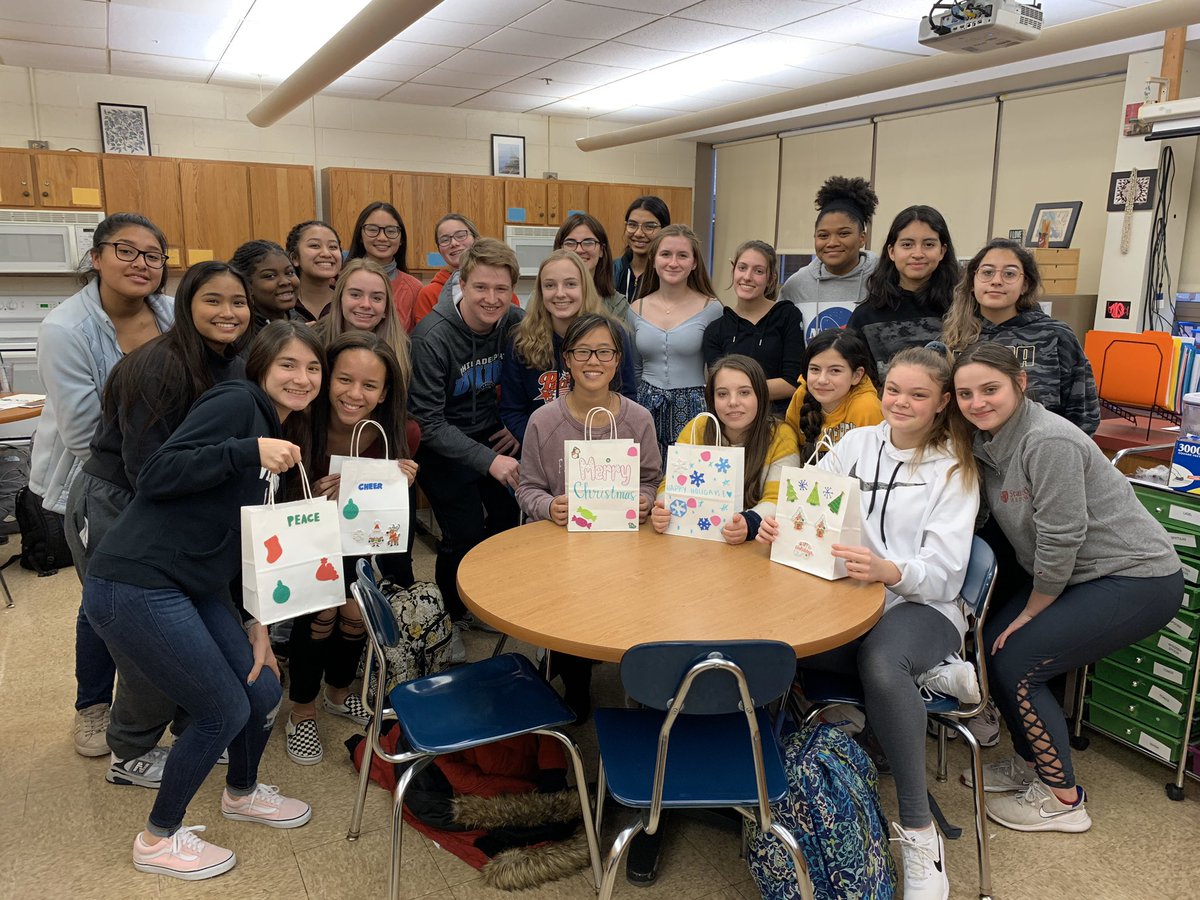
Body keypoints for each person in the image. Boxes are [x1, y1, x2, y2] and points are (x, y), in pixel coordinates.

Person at [82, 321, 322, 880]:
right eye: (288, 364)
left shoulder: (279, 433)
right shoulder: (239, 403)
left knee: (262, 685)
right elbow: (157, 473)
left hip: (194, 582)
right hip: (135, 581)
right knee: (222, 708)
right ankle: (157, 839)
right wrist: (247, 450)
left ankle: (241, 793)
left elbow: (242, 540)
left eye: (312, 368)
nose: (302, 377)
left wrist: (258, 621)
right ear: (260, 366)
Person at [763, 346, 979, 900]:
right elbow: (807, 499)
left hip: (923, 605)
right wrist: (776, 521)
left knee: (882, 663)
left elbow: (947, 574)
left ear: (942, 403)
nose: (901, 403)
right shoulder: (856, 443)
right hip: (850, 601)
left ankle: (919, 835)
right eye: (893, 391)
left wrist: (891, 570)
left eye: (918, 394)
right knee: (776, 646)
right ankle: (928, 676)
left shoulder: (955, 467)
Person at [951, 341, 1183, 835]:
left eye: (989, 389)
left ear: (1021, 383)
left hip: (1136, 576)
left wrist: (1033, 612)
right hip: (1076, 575)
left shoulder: (1046, 440)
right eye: (965, 393)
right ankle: (1030, 762)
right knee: (992, 646)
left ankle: (1062, 800)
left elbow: (1061, 537)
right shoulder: (988, 440)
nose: (977, 402)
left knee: (1016, 659)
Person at [67, 260, 251, 786]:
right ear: (186, 304)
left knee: (193, 634)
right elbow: (148, 473)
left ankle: (196, 727)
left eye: (237, 302)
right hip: (120, 507)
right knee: (147, 642)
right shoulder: (159, 367)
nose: (227, 312)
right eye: (212, 300)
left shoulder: (228, 363)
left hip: (181, 509)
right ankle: (130, 751)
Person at [28, 212, 175, 757]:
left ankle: (168, 699)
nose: (141, 264)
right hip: (97, 482)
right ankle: (92, 706)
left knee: (159, 594)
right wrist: (168, 480)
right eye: (125, 251)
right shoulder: (66, 329)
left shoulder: (171, 312)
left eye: (152, 255)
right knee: (103, 599)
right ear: (96, 258)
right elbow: (86, 432)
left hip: (161, 477)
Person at [516, 313, 661, 720]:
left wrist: (645, 500)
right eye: (582, 351)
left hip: (624, 544)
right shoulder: (543, 421)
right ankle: (575, 685)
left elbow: (651, 479)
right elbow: (527, 488)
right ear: (567, 359)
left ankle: (640, 683)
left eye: (604, 351)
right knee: (569, 608)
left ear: (618, 361)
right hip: (561, 549)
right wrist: (550, 507)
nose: (592, 360)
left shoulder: (638, 419)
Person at [287, 331, 419, 766]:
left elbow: (392, 522)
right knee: (322, 612)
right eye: (344, 380)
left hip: (359, 541)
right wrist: (309, 496)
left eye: (369, 386)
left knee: (355, 610)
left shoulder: (396, 432)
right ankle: (301, 710)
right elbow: (269, 501)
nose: (354, 394)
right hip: (305, 542)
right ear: (326, 379)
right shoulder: (297, 424)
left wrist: (400, 484)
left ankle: (339, 692)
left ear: (384, 394)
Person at [408, 238, 524, 653]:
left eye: (500, 289)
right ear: (461, 283)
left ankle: (483, 599)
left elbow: (535, 379)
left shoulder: (515, 321)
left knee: (509, 518)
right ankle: (451, 615)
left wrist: (517, 425)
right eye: (480, 288)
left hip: (491, 434)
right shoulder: (432, 337)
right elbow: (427, 420)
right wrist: (487, 460)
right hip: (440, 445)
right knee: (465, 532)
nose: (491, 299)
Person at [942, 237, 1099, 435]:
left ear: (1025, 284)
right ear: (973, 281)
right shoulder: (953, 336)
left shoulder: (1055, 336)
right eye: (987, 272)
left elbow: (1084, 413)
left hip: (1038, 452)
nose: (996, 281)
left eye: (1009, 274)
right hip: (966, 455)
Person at [651, 355, 799, 545]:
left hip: (754, 547)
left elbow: (779, 498)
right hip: (695, 541)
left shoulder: (781, 436)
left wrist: (749, 523)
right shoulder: (696, 428)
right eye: (722, 394)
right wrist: (664, 508)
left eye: (744, 393)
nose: (733, 402)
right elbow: (670, 485)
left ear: (760, 395)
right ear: (711, 399)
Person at [499, 250, 636, 444]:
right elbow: (512, 410)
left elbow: (627, 397)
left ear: (585, 287)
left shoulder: (613, 334)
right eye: (550, 285)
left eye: (570, 284)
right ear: (540, 291)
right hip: (542, 448)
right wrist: (546, 443)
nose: (560, 293)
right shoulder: (521, 340)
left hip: (600, 450)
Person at [629, 224, 723, 459]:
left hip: (695, 406)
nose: (673, 262)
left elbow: (717, 370)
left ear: (694, 263)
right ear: (653, 260)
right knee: (647, 478)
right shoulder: (634, 309)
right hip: (646, 406)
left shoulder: (711, 308)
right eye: (665, 254)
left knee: (689, 479)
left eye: (682, 255)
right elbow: (635, 367)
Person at [847, 205, 959, 374]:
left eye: (929, 244)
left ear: (942, 251)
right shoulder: (866, 317)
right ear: (892, 251)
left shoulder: (960, 310)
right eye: (907, 244)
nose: (918, 253)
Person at [702, 240, 804, 413]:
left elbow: (792, 383)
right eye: (742, 268)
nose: (747, 277)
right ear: (733, 270)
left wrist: (738, 390)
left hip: (778, 421)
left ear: (771, 278)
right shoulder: (716, 330)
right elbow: (719, 388)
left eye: (758, 271)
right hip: (733, 420)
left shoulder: (787, 316)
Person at [779, 176, 880, 330]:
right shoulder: (795, 286)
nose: (832, 243)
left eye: (844, 234)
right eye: (823, 235)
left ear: (862, 238)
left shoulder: (883, 279)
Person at [784, 328, 883, 457]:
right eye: (815, 369)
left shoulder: (867, 407)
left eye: (835, 371)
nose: (822, 380)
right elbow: (789, 448)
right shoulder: (802, 394)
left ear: (856, 375)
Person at [413, 213, 520, 326]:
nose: (454, 243)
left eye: (460, 235)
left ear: (476, 238)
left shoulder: (502, 291)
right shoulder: (429, 294)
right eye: (444, 240)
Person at [314, 258, 411, 374]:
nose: (366, 304)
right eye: (355, 295)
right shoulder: (314, 339)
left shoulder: (403, 348)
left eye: (376, 298)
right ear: (340, 299)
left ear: (386, 308)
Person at [345, 201, 424, 332]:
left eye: (391, 231)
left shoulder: (414, 289)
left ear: (401, 240)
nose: (382, 237)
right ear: (360, 235)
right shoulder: (340, 280)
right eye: (372, 229)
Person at [554, 212, 631, 323]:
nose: (579, 250)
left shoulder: (618, 305)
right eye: (570, 243)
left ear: (601, 251)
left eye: (588, 242)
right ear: (559, 249)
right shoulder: (544, 297)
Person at [230, 239, 302, 333]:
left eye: (289, 272)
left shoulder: (302, 324)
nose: (285, 281)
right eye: (270, 276)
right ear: (247, 284)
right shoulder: (238, 334)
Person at [613, 195, 670, 303]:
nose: (638, 233)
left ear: (665, 229)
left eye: (649, 226)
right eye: (632, 225)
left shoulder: (670, 274)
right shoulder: (610, 271)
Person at [286, 219, 342, 321]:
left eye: (333, 247)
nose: (326, 253)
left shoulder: (349, 302)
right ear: (295, 258)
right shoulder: (283, 303)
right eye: (315, 245)